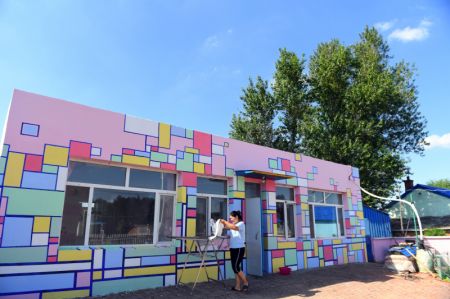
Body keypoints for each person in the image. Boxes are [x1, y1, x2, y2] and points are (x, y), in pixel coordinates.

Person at [220, 210, 249, 292]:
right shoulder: (233, 225)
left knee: (235, 267)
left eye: (231, 218)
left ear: (236, 217)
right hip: (233, 248)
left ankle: (246, 282)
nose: (230, 219)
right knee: (235, 268)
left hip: (239, 248)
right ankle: (237, 286)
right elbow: (229, 233)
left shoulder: (241, 224)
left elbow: (234, 228)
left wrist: (225, 222)